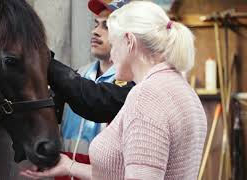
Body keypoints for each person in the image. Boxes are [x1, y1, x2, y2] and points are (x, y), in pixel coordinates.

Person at [21, 1, 208, 179]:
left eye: (114, 42)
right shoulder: (184, 91)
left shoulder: (146, 96)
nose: (112, 54)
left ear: (129, 41)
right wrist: (70, 166)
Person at [55, 0, 130, 179]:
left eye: (106, 26)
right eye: (96, 24)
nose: (95, 31)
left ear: (128, 36)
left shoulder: (131, 84)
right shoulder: (78, 75)